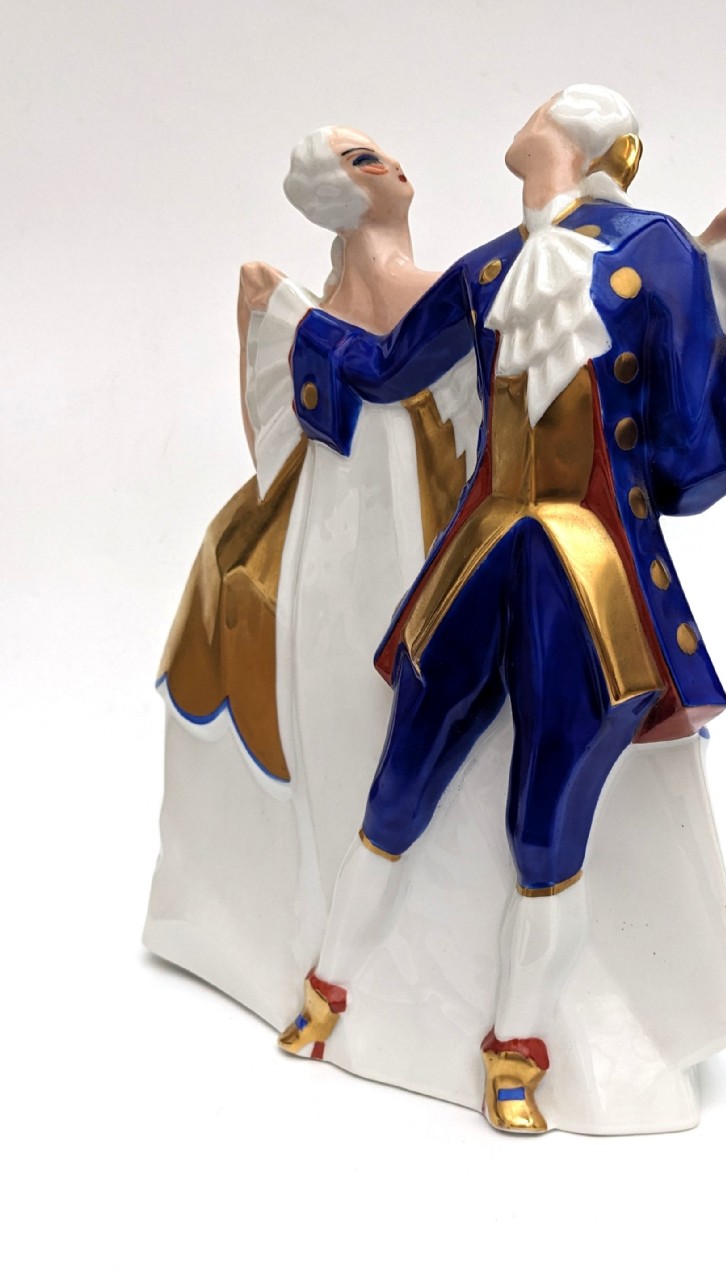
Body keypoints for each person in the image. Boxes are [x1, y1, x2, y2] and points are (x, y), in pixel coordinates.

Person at [280, 84, 726, 1133]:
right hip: (476, 560)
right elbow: (389, 366)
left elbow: (685, 454)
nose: (526, 115)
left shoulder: (655, 252)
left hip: (589, 579)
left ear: (588, 134)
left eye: (545, 106)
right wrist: (301, 330)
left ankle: (515, 1055)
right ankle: (326, 991)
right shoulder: (488, 268)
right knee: (399, 783)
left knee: (546, 824)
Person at [145, 127, 478, 1026]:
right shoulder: (399, 288)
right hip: (352, 518)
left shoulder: (324, 300)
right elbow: (280, 427)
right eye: (365, 160)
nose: (394, 163)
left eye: (386, 153)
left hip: (396, 510)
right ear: (342, 194)